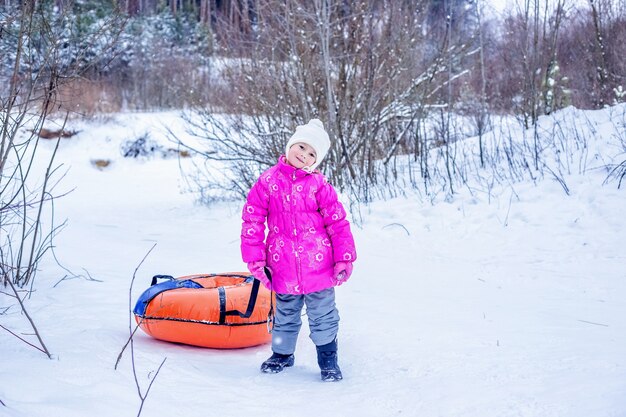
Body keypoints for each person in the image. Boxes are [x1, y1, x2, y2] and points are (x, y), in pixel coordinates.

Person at [240, 118, 357, 382]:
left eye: (312, 153)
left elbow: (338, 223)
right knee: (285, 313)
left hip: (319, 265)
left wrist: (344, 258)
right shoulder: (268, 181)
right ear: (291, 145)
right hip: (282, 265)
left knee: (323, 314)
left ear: (316, 161)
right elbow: (253, 220)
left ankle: (328, 359)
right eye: (301, 147)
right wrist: (255, 259)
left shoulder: (319, 186)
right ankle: (282, 354)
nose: (303, 155)